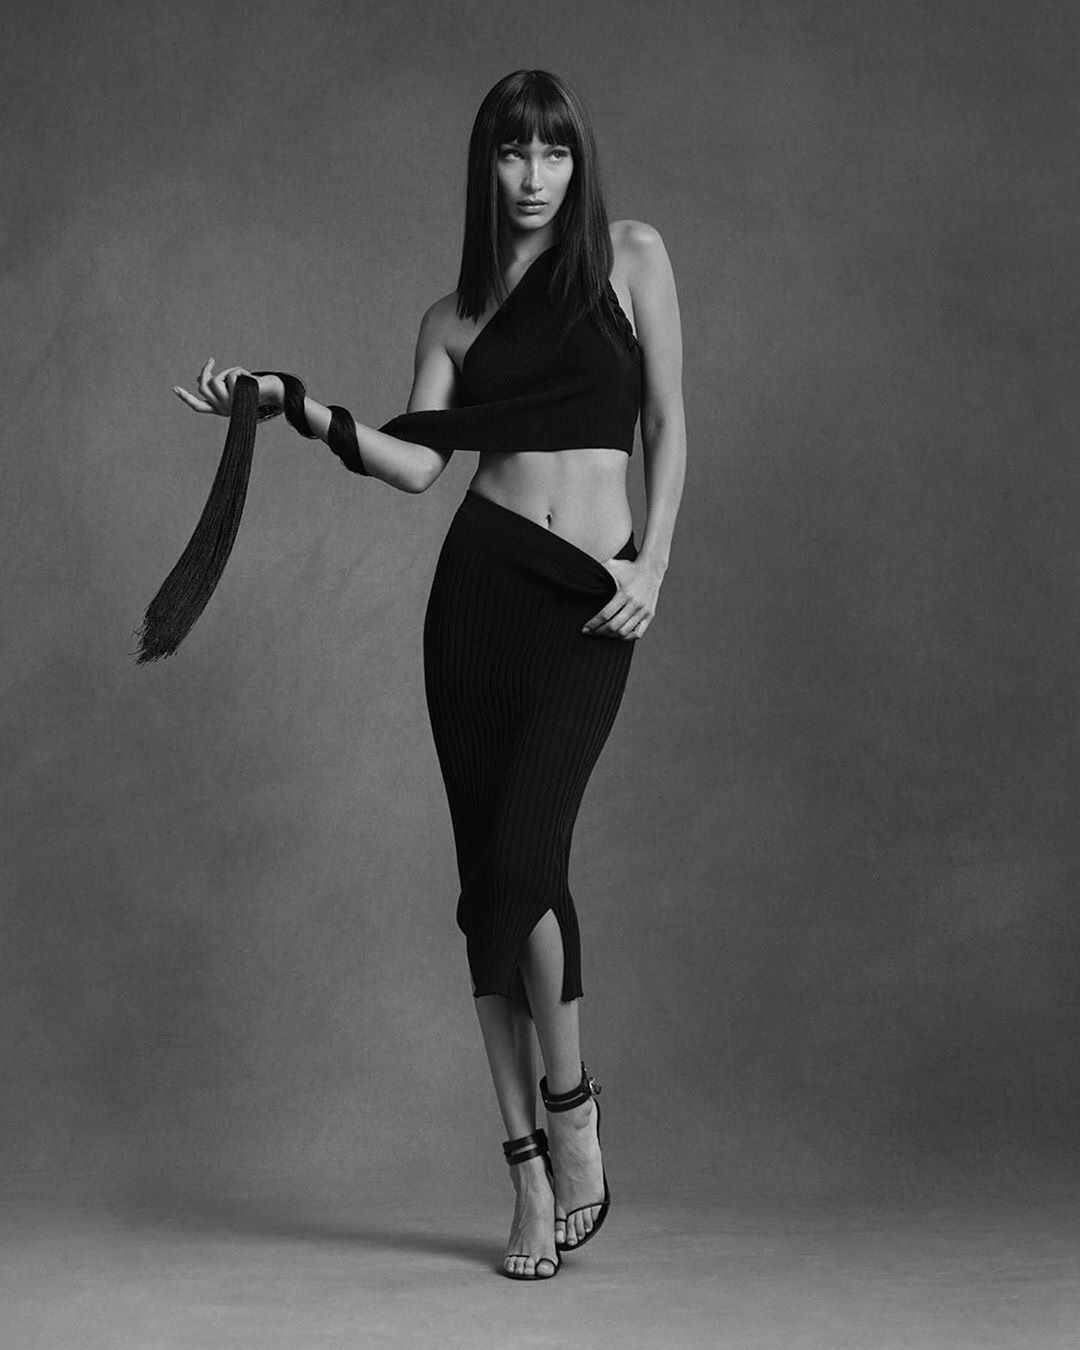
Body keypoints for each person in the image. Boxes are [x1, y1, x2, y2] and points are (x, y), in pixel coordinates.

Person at [173, 69, 685, 1281]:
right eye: (512, 153)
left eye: (553, 153)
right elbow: (415, 463)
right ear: (484, 166)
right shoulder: (450, 319)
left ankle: (572, 1107)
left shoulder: (633, 259)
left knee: (526, 860)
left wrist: (655, 559)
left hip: (592, 596)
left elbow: (669, 421)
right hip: (479, 598)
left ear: (578, 162)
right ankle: (525, 1168)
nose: (533, 177)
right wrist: (292, 404)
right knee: (486, 885)